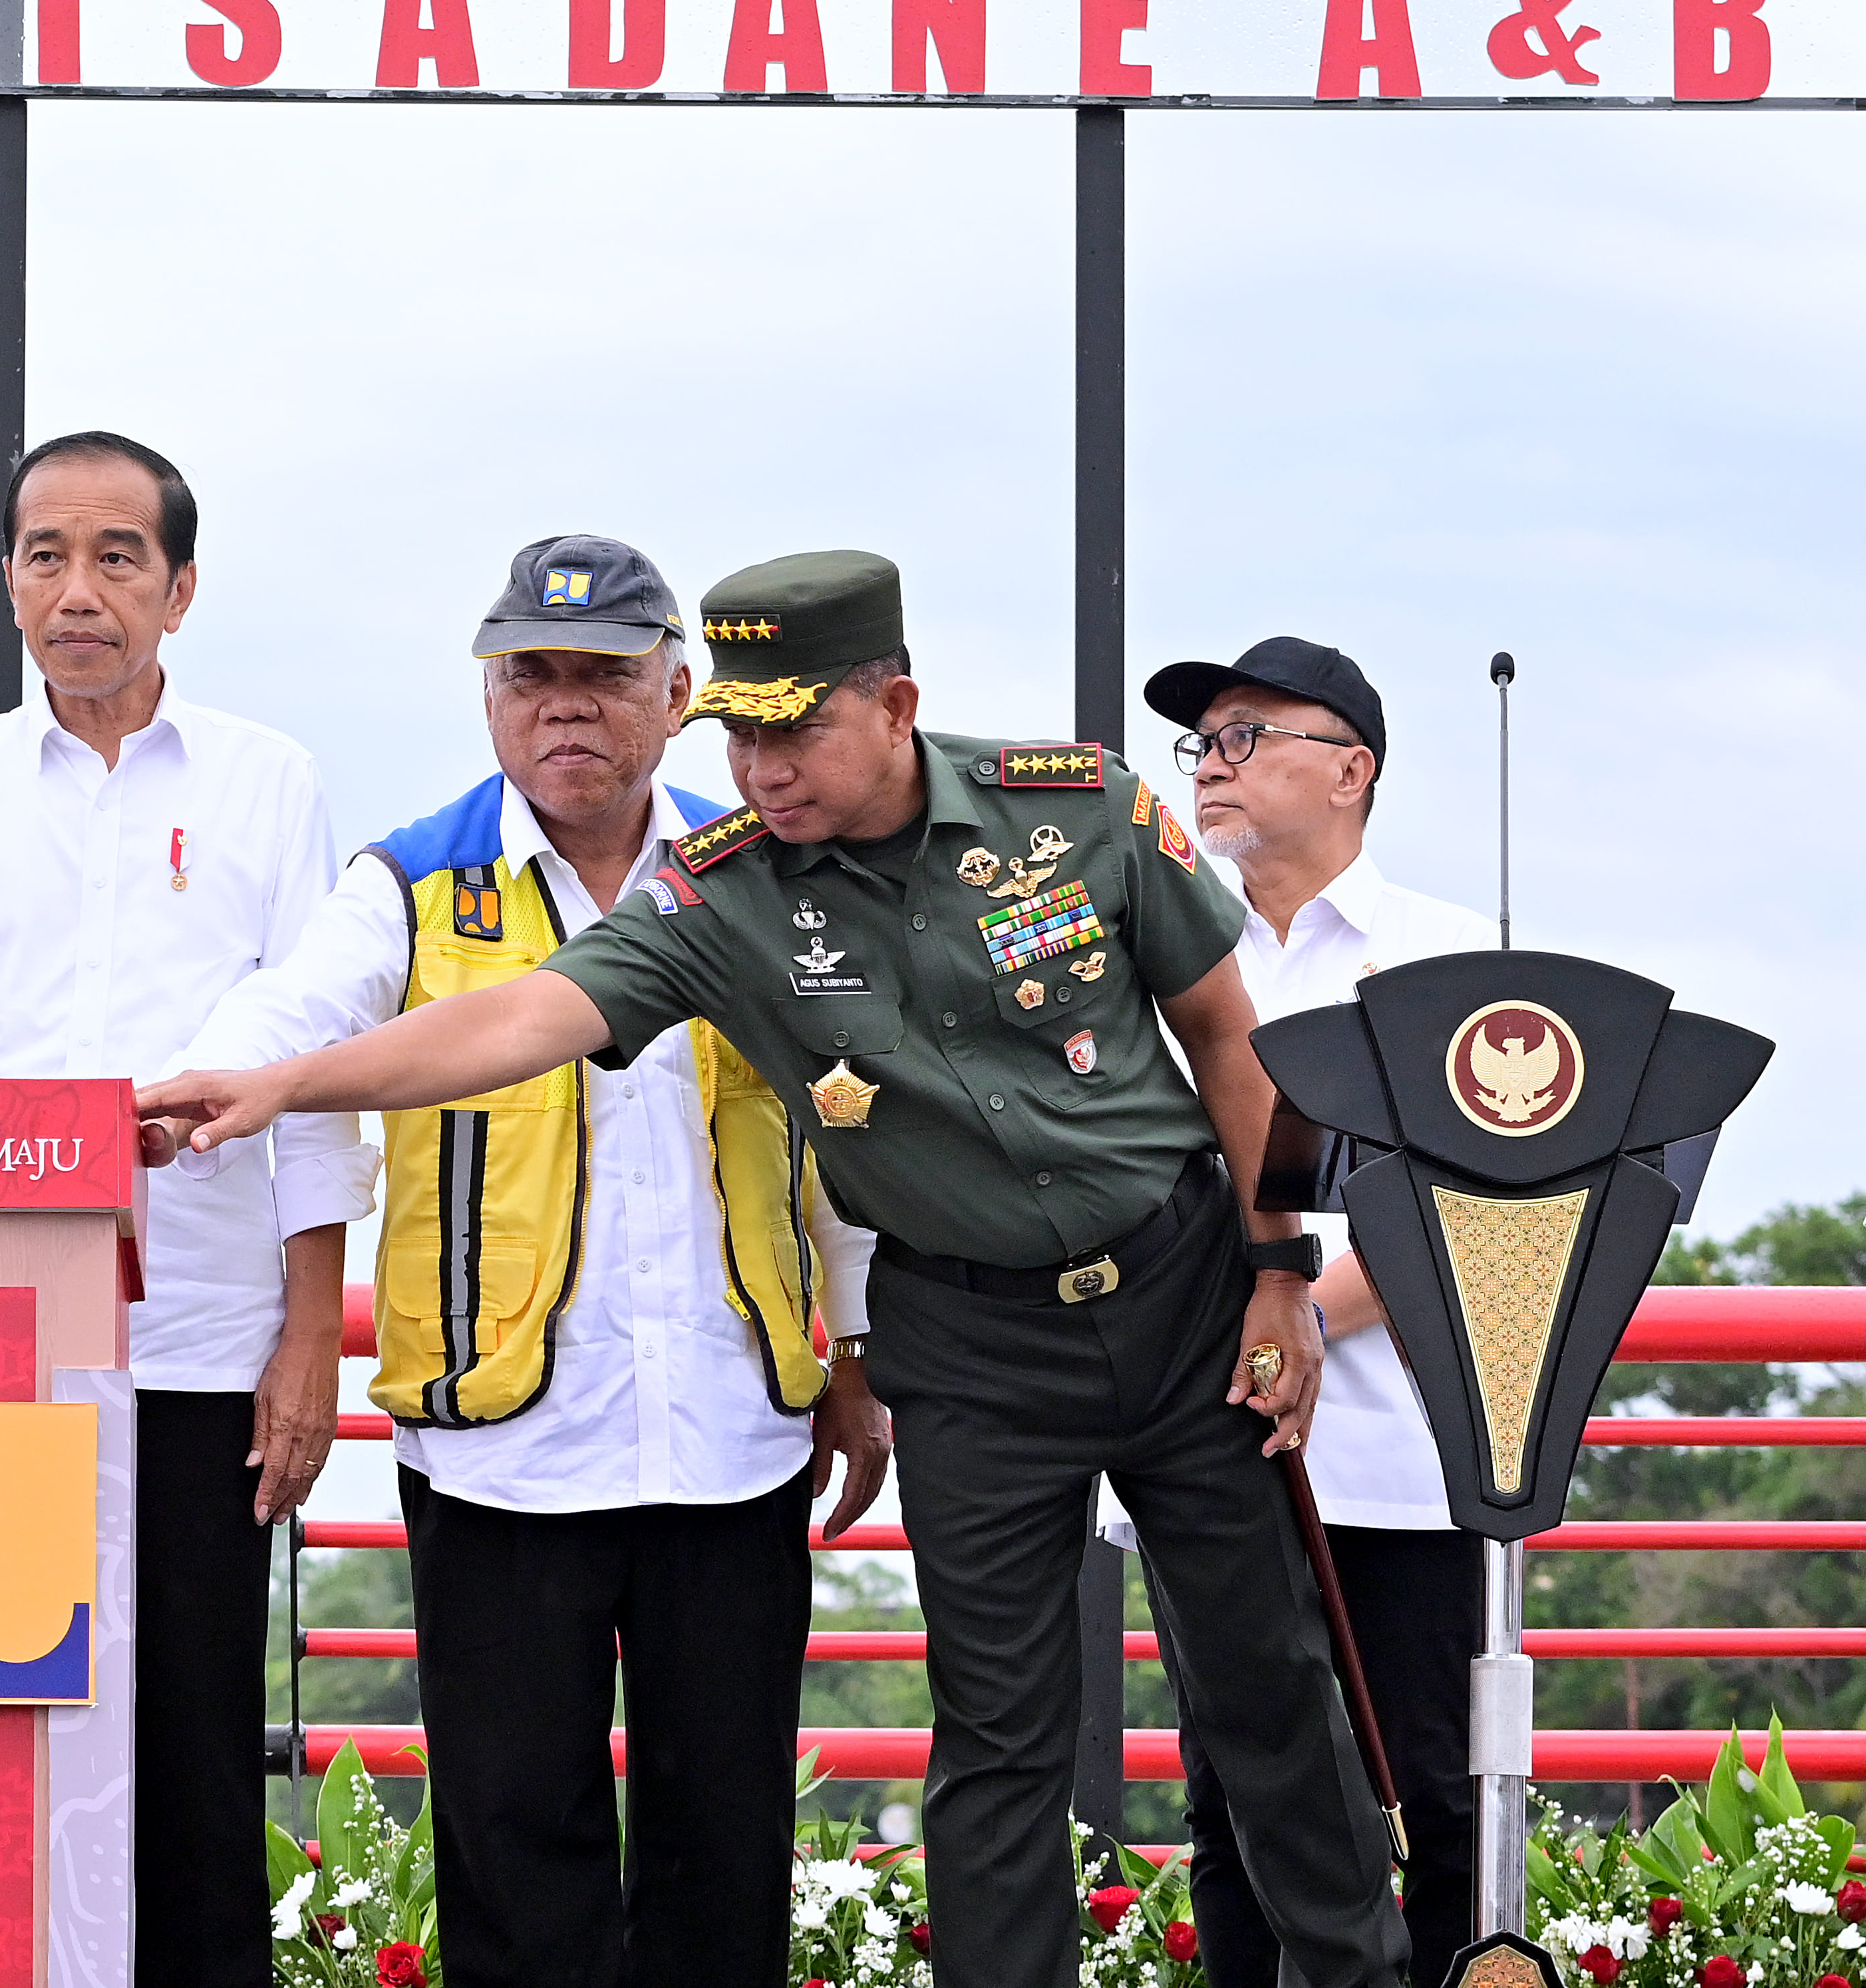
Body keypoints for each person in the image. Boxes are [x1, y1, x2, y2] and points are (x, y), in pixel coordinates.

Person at [144, 552, 1411, 1988]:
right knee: (999, 1734)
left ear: (897, 703)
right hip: (974, 1343)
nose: (763, 766)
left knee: (1269, 1696)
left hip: (1186, 1295)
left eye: (794, 728)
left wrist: (1279, 1271)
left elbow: (1236, 1039)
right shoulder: (721, 891)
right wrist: (287, 1080)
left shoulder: (1084, 804)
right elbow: (520, 1022)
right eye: (740, 735)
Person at [166, 535, 887, 1988]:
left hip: (731, 1438)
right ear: (490, 700)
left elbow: (851, 1133)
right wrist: (185, 1086)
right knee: (512, 1854)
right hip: (503, 1456)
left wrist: (859, 1360)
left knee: (725, 1854)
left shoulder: (760, 874)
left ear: (679, 691)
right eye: (531, 677)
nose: (566, 708)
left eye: (605, 676)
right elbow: (290, 1012)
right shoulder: (416, 882)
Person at [0, 430, 352, 1988]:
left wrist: (310, 1342)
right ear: (8, 579)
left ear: (180, 589)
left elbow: (320, 1076)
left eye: (116, 557)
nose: (79, 591)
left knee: (197, 1769)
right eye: (46, 555)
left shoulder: (274, 783)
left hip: (204, 1350)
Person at [1145, 635, 1492, 1988]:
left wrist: (1299, 1320)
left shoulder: (1448, 954)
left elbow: (1472, 1206)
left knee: (1435, 1799)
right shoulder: (1167, 957)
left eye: (1247, 735)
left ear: (1349, 768)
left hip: (1399, 1457)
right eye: (1203, 743)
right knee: (1233, 1805)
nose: (1214, 764)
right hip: (1205, 1452)